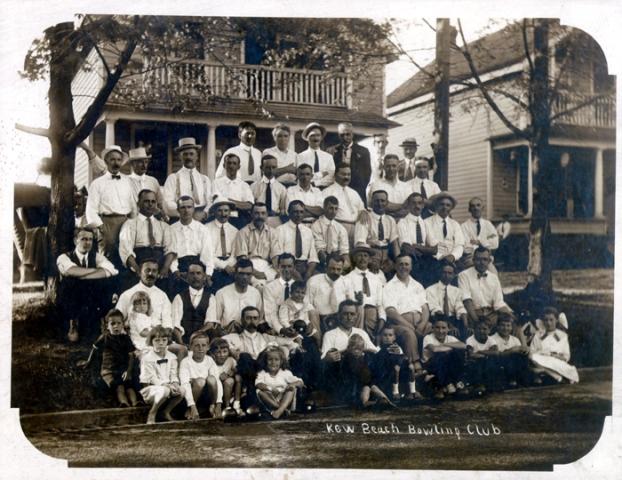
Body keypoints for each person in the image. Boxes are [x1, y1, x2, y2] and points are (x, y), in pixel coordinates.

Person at [222, 307, 300, 411]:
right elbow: (220, 341)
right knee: (245, 357)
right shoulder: (236, 337)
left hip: (264, 370)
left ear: (259, 320)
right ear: (242, 320)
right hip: (248, 372)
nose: (252, 321)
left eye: (255, 318)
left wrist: (297, 343)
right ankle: (253, 398)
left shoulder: (265, 337)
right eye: (248, 318)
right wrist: (232, 350)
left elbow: (290, 343)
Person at [56, 226, 119, 342]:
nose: (88, 242)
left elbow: (112, 270)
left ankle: (103, 321)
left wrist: (81, 275)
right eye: (84, 239)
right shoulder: (64, 257)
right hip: (72, 297)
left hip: (91, 297)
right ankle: (73, 324)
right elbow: (70, 270)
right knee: (70, 281)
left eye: (90, 239)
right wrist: (96, 271)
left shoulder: (97, 256)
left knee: (105, 282)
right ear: (75, 241)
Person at [85, 145, 136, 269]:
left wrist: (134, 221)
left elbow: (132, 203)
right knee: (108, 255)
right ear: (106, 161)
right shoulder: (98, 183)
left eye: (118, 160)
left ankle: (122, 286)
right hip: (107, 223)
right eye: (112, 160)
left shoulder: (127, 181)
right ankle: (107, 285)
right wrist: (100, 226)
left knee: (127, 254)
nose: (116, 163)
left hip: (126, 221)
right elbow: (91, 208)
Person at [77, 309, 139, 407]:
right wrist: (89, 361)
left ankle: (135, 403)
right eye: (112, 323)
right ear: (107, 326)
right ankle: (124, 403)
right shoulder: (104, 337)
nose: (116, 326)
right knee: (119, 387)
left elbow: (131, 355)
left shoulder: (126, 338)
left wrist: (128, 371)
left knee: (129, 386)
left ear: (123, 325)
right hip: (109, 370)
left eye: (119, 323)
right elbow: (95, 348)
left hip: (123, 369)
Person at [321, 300, 379, 400]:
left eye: (352, 314)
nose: (349, 317)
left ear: (356, 316)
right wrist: (329, 357)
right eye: (345, 314)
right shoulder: (330, 334)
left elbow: (375, 351)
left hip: (363, 370)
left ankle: (366, 392)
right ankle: (369, 391)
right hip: (342, 374)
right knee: (351, 356)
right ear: (339, 315)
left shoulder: (361, 333)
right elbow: (323, 359)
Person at [119, 189, 176, 282]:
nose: (150, 204)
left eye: (153, 202)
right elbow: (126, 250)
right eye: (146, 201)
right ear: (138, 204)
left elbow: (170, 249)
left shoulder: (163, 225)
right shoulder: (130, 224)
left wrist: (165, 269)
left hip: (160, 264)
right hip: (139, 262)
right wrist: (137, 270)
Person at [383, 254, 430, 365]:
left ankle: (431, 363)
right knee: (409, 333)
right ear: (395, 266)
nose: (404, 267)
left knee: (432, 328)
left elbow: (425, 309)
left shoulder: (417, 285)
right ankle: (414, 363)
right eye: (401, 264)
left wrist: (422, 324)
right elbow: (391, 312)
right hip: (400, 324)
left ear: (411, 267)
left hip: (420, 323)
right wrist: (410, 326)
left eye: (406, 264)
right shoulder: (389, 286)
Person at [139, 326, 185, 424]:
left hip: (168, 387)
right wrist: (166, 385)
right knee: (165, 390)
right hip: (151, 390)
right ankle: (152, 413)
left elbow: (173, 374)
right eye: (157, 340)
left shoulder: (172, 357)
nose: (161, 343)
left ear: (168, 341)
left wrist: (175, 383)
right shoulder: (147, 358)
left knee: (182, 390)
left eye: (164, 340)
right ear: (151, 342)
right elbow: (152, 378)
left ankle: (166, 412)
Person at [169, 196, 215, 294]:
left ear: (194, 209)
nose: (186, 211)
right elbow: (171, 254)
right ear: (178, 210)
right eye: (183, 207)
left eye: (189, 207)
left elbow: (208, 254)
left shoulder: (202, 229)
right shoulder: (171, 229)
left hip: (198, 266)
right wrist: (175, 270)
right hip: (179, 268)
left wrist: (208, 274)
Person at [458, 246, 512, 329]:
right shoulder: (464, 275)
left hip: (492, 314)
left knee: (515, 325)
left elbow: (499, 303)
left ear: (489, 261)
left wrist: (511, 315)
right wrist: (477, 321)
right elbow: (467, 301)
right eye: (478, 259)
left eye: (485, 259)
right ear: (473, 260)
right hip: (474, 313)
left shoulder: (493, 277)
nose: (481, 262)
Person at [205, 259, 263, 334]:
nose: (245, 277)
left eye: (248, 274)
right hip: (227, 335)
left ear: (252, 275)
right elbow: (216, 321)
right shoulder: (222, 293)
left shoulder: (256, 293)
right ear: (235, 274)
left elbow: (259, 319)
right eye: (241, 274)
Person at [342, 243, 386, 341]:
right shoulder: (347, 278)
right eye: (359, 256)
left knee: (372, 313)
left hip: (372, 314)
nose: (363, 259)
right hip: (356, 313)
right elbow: (346, 302)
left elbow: (380, 303)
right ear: (354, 259)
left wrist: (382, 319)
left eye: (365, 256)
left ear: (370, 259)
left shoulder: (376, 279)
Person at [162, 138, 212, 221]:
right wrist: (186, 213)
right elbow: (167, 203)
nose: (188, 157)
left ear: (196, 156)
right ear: (180, 157)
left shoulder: (205, 179)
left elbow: (210, 201)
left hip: (201, 220)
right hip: (180, 219)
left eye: (191, 154)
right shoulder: (173, 178)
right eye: (185, 154)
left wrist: (204, 213)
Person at [340, 334, 394, 409]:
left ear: (362, 349)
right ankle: (369, 403)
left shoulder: (366, 357)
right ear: (349, 348)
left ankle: (387, 401)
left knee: (372, 387)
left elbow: (369, 372)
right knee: (366, 390)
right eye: (354, 349)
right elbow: (350, 374)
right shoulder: (348, 358)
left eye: (359, 349)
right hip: (355, 386)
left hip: (366, 383)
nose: (356, 351)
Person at [370, 325, 422, 401]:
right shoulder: (379, 348)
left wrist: (406, 362)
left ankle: (412, 391)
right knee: (396, 368)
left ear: (394, 337)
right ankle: (395, 392)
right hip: (387, 372)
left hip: (399, 369)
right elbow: (380, 361)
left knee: (410, 367)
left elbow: (402, 357)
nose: (387, 337)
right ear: (381, 337)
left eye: (390, 335)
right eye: (385, 335)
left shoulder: (397, 347)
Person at [421, 315, 467, 401]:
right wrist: (451, 347)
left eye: (443, 328)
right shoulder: (428, 337)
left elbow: (463, 345)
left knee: (457, 353)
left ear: (448, 329)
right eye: (437, 328)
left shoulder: (450, 338)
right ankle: (446, 384)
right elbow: (435, 349)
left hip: (445, 365)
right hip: (431, 365)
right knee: (441, 354)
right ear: (432, 328)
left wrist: (444, 345)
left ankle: (457, 383)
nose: (440, 331)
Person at [232, 202, 279, 284]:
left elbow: (275, 257)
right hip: (249, 267)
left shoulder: (273, 232)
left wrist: (278, 271)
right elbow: (242, 259)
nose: (260, 216)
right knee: (259, 284)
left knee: (277, 282)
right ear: (251, 214)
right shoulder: (243, 232)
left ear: (267, 215)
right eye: (257, 213)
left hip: (267, 266)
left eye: (263, 213)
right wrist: (257, 273)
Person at [529, 307, 579, 384]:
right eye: (546, 320)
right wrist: (543, 353)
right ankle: (558, 378)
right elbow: (532, 352)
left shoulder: (562, 335)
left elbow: (566, 356)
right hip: (541, 360)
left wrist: (553, 355)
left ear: (556, 320)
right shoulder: (538, 335)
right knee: (533, 358)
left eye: (551, 320)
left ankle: (549, 373)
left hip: (557, 362)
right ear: (543, 321)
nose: (548, 323)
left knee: (559, 366)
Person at [354, 190, 400, 274]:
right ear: (372, 202)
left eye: (382, 201)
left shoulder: (390, 220)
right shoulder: (365, 217)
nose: (380, 204)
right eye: (377, 201)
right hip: (371, 255)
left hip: (386, 256)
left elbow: (395, 244)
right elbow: (360, 244)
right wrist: (370, 261)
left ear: (387, 203)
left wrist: (398, 261)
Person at [171, 260, 216, 345]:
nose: (195, 277)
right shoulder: (179, 297)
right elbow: (175, 325)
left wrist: (196, 338)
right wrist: (182, 344)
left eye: (198, 273)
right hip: (183, 340)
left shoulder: (211, 297)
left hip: (203, 342)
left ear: (204, 276)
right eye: (192, 273)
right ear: (187, 277)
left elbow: (210, 323)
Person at [397, 192, 437, 286]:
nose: (417, 206)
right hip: (412, 260)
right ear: (408, 205)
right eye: (413, 203)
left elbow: (434, 249)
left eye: (419, 203)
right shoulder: (403, 222)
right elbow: (407, 248)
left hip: (426, 259)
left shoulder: (425, 223)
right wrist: (425, 249)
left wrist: (416, 246)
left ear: (423, 205)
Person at [255, 345, 305, 419]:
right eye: (270, 359)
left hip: (283, 398)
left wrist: (293, 384)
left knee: (291, 390)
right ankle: (281, 409)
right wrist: (270, 389)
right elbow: (258, 384)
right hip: (270, 399)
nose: (273, 362)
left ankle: (279, 411)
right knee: (260, 391)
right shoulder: (262, 373)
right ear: (265, 361)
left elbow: (300, 382)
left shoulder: (285, 373)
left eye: (276, 359)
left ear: (281, 361)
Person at [327, 122, 371, 205]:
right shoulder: (331, 151)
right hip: (337, 191)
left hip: (357, 191)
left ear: (352, 134)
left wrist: (358, 188)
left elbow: (367, 174)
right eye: (342, 135)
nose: (345, 137)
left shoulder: (363, 151)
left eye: (348, 134)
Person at [179, 332, 221, 420]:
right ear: (190, 347)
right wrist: (192, 406)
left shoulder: (210, 360)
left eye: (203, 345)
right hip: (190, 397)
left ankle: (212, 406)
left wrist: (218, 404)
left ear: (208, 347)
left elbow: (217, 382)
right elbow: (185, 384)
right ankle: (191, 409)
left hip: (206, 396)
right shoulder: (185, 362)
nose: (200, 348)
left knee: (212, 379)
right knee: (200, 382)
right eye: (197, 345)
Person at [274, 200, 319, 281]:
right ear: (289, 212)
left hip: (305, 267)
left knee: (318, 280)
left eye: (301, 212)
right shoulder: (280, 230)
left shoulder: (308, 231)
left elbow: (313, 258)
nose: (299, 215)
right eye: (295, 212)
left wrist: (308, 274)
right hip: (288, 267)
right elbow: (278, 256)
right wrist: (294, 272)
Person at [306, 253, 353, 330]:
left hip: (340, 318)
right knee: (311, 312)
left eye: (339, 269)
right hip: (320, 319)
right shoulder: (313, 281)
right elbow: (307, 303)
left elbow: (350, 302)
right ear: (326, 267)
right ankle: (319, 339)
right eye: (332, 268)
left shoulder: (346, 281)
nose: (335, 272)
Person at [321, 165, 365, 245]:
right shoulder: (327, 192)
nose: (346, 177)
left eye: (348, 174)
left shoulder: (354, 193)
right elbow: (324, 212)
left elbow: (361, 208)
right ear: (335, 175)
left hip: (356, 230)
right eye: (343, 174)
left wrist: (362, 212)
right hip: (338, 228)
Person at [426, 260, 469, 340]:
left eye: (450, 273)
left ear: (453, 275)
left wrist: (466, 325)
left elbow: (460, 308)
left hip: (454, 320)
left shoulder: (457, 291)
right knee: (451, 333)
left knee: (466, 333)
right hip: (438, 320)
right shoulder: (430, 290)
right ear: (439, 273)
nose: (446, 275)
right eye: (444, 272)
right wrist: (449, 326)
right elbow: (436, 310)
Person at [212, 153, 255, 229]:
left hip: (240, 219)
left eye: (234, 163)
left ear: (238, 167)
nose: (231, 166)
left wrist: (226, 200)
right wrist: (240, 204)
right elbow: (217, 202)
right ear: (224, 165)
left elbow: (249, 205)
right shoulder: (216, 182)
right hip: (221, 218)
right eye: (229, 163)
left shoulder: (244, 185)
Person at [424, 192, 466, 269]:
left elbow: (459, 245)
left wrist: (453, 256)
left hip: (453, 260)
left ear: (451, 208)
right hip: (434, 259)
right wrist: (443, 257)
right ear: (436, 206)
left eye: (448, 205)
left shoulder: (455, 224)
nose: (445, 207)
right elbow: (432, 242)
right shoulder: (427, 222)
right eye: (442, 204)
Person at [205, 195, 238, 291]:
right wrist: (223, 266)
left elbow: (234, 253)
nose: (223, 214)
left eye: (226, 211)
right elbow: (207, 254)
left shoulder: (234, 230)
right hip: (213, 266)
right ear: (214, 212)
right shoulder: (206, 228)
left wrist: (229, 266)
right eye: (220, 210)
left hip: (230, 266)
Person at [490, 313, 530, 388]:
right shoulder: (492, 339)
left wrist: (524, 350)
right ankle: (512, 380)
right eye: (502, 325)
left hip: (514, 366)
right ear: (497, 326)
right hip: (500, 367)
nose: (505, 328)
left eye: (508, 325)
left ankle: (522, 380)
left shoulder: (515, 339)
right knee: (512, 356)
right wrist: (511, 351)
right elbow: (496, 355)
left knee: (522, 356)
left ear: (511, 327)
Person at [311, 196, 351, 271]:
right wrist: (330, 265)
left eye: (336, 209)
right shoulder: (316, 226)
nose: (333, 212)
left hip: (338, 260)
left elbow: (344, 251)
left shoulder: (341, 228)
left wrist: (345, 265)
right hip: (321, 261)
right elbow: (320, 250)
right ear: (324, 208)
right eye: (331, 208)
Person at [277, 280, 322, 345]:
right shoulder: (285, 305)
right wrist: (288, 326)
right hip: (292, 327)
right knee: (298, 339)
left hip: (304, 325)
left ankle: (319, 349)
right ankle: (300, 349)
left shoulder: (305, 304)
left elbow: (305, 316)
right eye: (297, 292)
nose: (300, 295)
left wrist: (308, 323)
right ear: (291, 292)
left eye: (302, 293)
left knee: (317, 335)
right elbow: (283, 319)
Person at [460, 197, 499, 271]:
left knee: (493, 274)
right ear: (469, 209)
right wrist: (486, 244)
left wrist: (480, 242)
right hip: (470, 259)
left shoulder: (488, 224)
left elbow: (495, 243)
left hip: (486, 259)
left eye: (478, 205)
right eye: (473, 206)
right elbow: (466, 248)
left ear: (482, 208)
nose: (476, 208)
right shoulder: (464, 226)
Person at [262, 253, 297, 334]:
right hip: (278, 328)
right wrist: (282, 329)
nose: (286, 270)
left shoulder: (299, 287)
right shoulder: (269, 288)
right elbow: (270, 314)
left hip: (296, 326)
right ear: (278, 268)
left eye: (289, 266)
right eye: (283, 266)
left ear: (294, 267)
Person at [250, 154, 287, 228]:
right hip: (258, 218)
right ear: (261, 168)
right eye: (267, 167)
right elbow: (251, 206)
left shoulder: (281, 188)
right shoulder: (253, 186)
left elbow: (283, 209)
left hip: (275, 219)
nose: (271, 170)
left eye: (273, 167)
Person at [465, 319, 500, 396]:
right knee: (480, 362)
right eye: (479, 328)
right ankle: (479, 385)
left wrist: (480, 352)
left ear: (489, 330)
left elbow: (496, 352)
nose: (481, 331)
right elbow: (471, 354)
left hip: (485, 361)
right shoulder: (470, 340)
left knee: (493, 361)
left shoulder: (491, 340)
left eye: (484, 329)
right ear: (474, 329)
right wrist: (486, 354)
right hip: (473, 363)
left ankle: (490, 384)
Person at [126, 147, 164, 215]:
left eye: (146, 162)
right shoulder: (125, 181)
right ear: (132, 164)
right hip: (133, 219)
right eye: (140, 162)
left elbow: (160, 203)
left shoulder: (153, 181)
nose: (144, 165)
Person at [209, 338, 241, 416]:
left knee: (230, 380)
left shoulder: (230, 360)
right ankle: (215, 407)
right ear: (213, 354)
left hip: (228, 390)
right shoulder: (210, 362)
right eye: (218, 352)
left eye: (225, 352)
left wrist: (231, 373)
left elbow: (237, 370)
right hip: (214, 392)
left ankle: (228, 407)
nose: (222, 355)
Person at [297, 122, 335, 188]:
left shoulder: (328, 157)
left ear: (321, 138)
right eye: (312, 135)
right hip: (306, 191)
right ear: (307, 138)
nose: (316, 138)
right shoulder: (300, 157)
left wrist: (315, 183)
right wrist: (321, 174)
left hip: (325, 190)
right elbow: (302, 176)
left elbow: (331, 177)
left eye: (318, 135)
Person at [127, 290, 158, 357]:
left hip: (145, 339)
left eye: (144, 303)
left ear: (148, 305)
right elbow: (142, 333)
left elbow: (149, 326)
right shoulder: (138, 317)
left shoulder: (144, 316)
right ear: (133, 306)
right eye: (138, 304)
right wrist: (154, 332)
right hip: (140, 341)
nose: (142, 306)